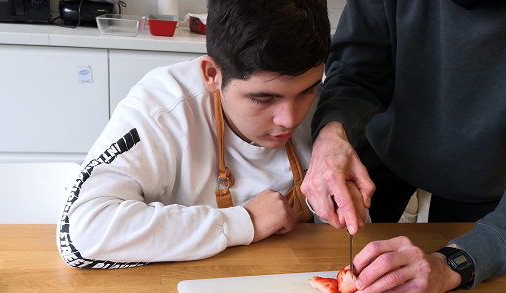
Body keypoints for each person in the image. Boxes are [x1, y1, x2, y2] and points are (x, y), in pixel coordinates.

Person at [57, 0, 351, 269]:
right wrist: (245, 221)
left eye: (307, 91)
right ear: (212, 75)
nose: (289, 120)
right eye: (263, 99)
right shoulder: (161, 108)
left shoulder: (329, 112)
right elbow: (81, 234)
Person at [302, 0, 506, 293]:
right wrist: (331, 133)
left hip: (493, 177)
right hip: (384, 142)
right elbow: (357, 68)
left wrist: (455, 263)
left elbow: (470, 257)